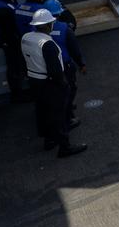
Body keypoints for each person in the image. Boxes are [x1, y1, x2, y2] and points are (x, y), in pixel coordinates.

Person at [21, 9, 85, 158]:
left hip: (34, 79)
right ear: (48, 25)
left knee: (43, 111)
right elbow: (55, 71)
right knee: (59, 114)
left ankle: (49, 140)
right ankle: (65, 147)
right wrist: (63, 85)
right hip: (49, 82)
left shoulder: (26, 37)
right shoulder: (48, 44)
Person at [44, 0, 85, 123]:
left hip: (47, 67)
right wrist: (81, 64)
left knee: (56, 91)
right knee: (70, 89)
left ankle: (65, 110)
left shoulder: (37, 29)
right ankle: (68, 118)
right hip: (65, 65)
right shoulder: (64, 29)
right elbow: (74, 50)